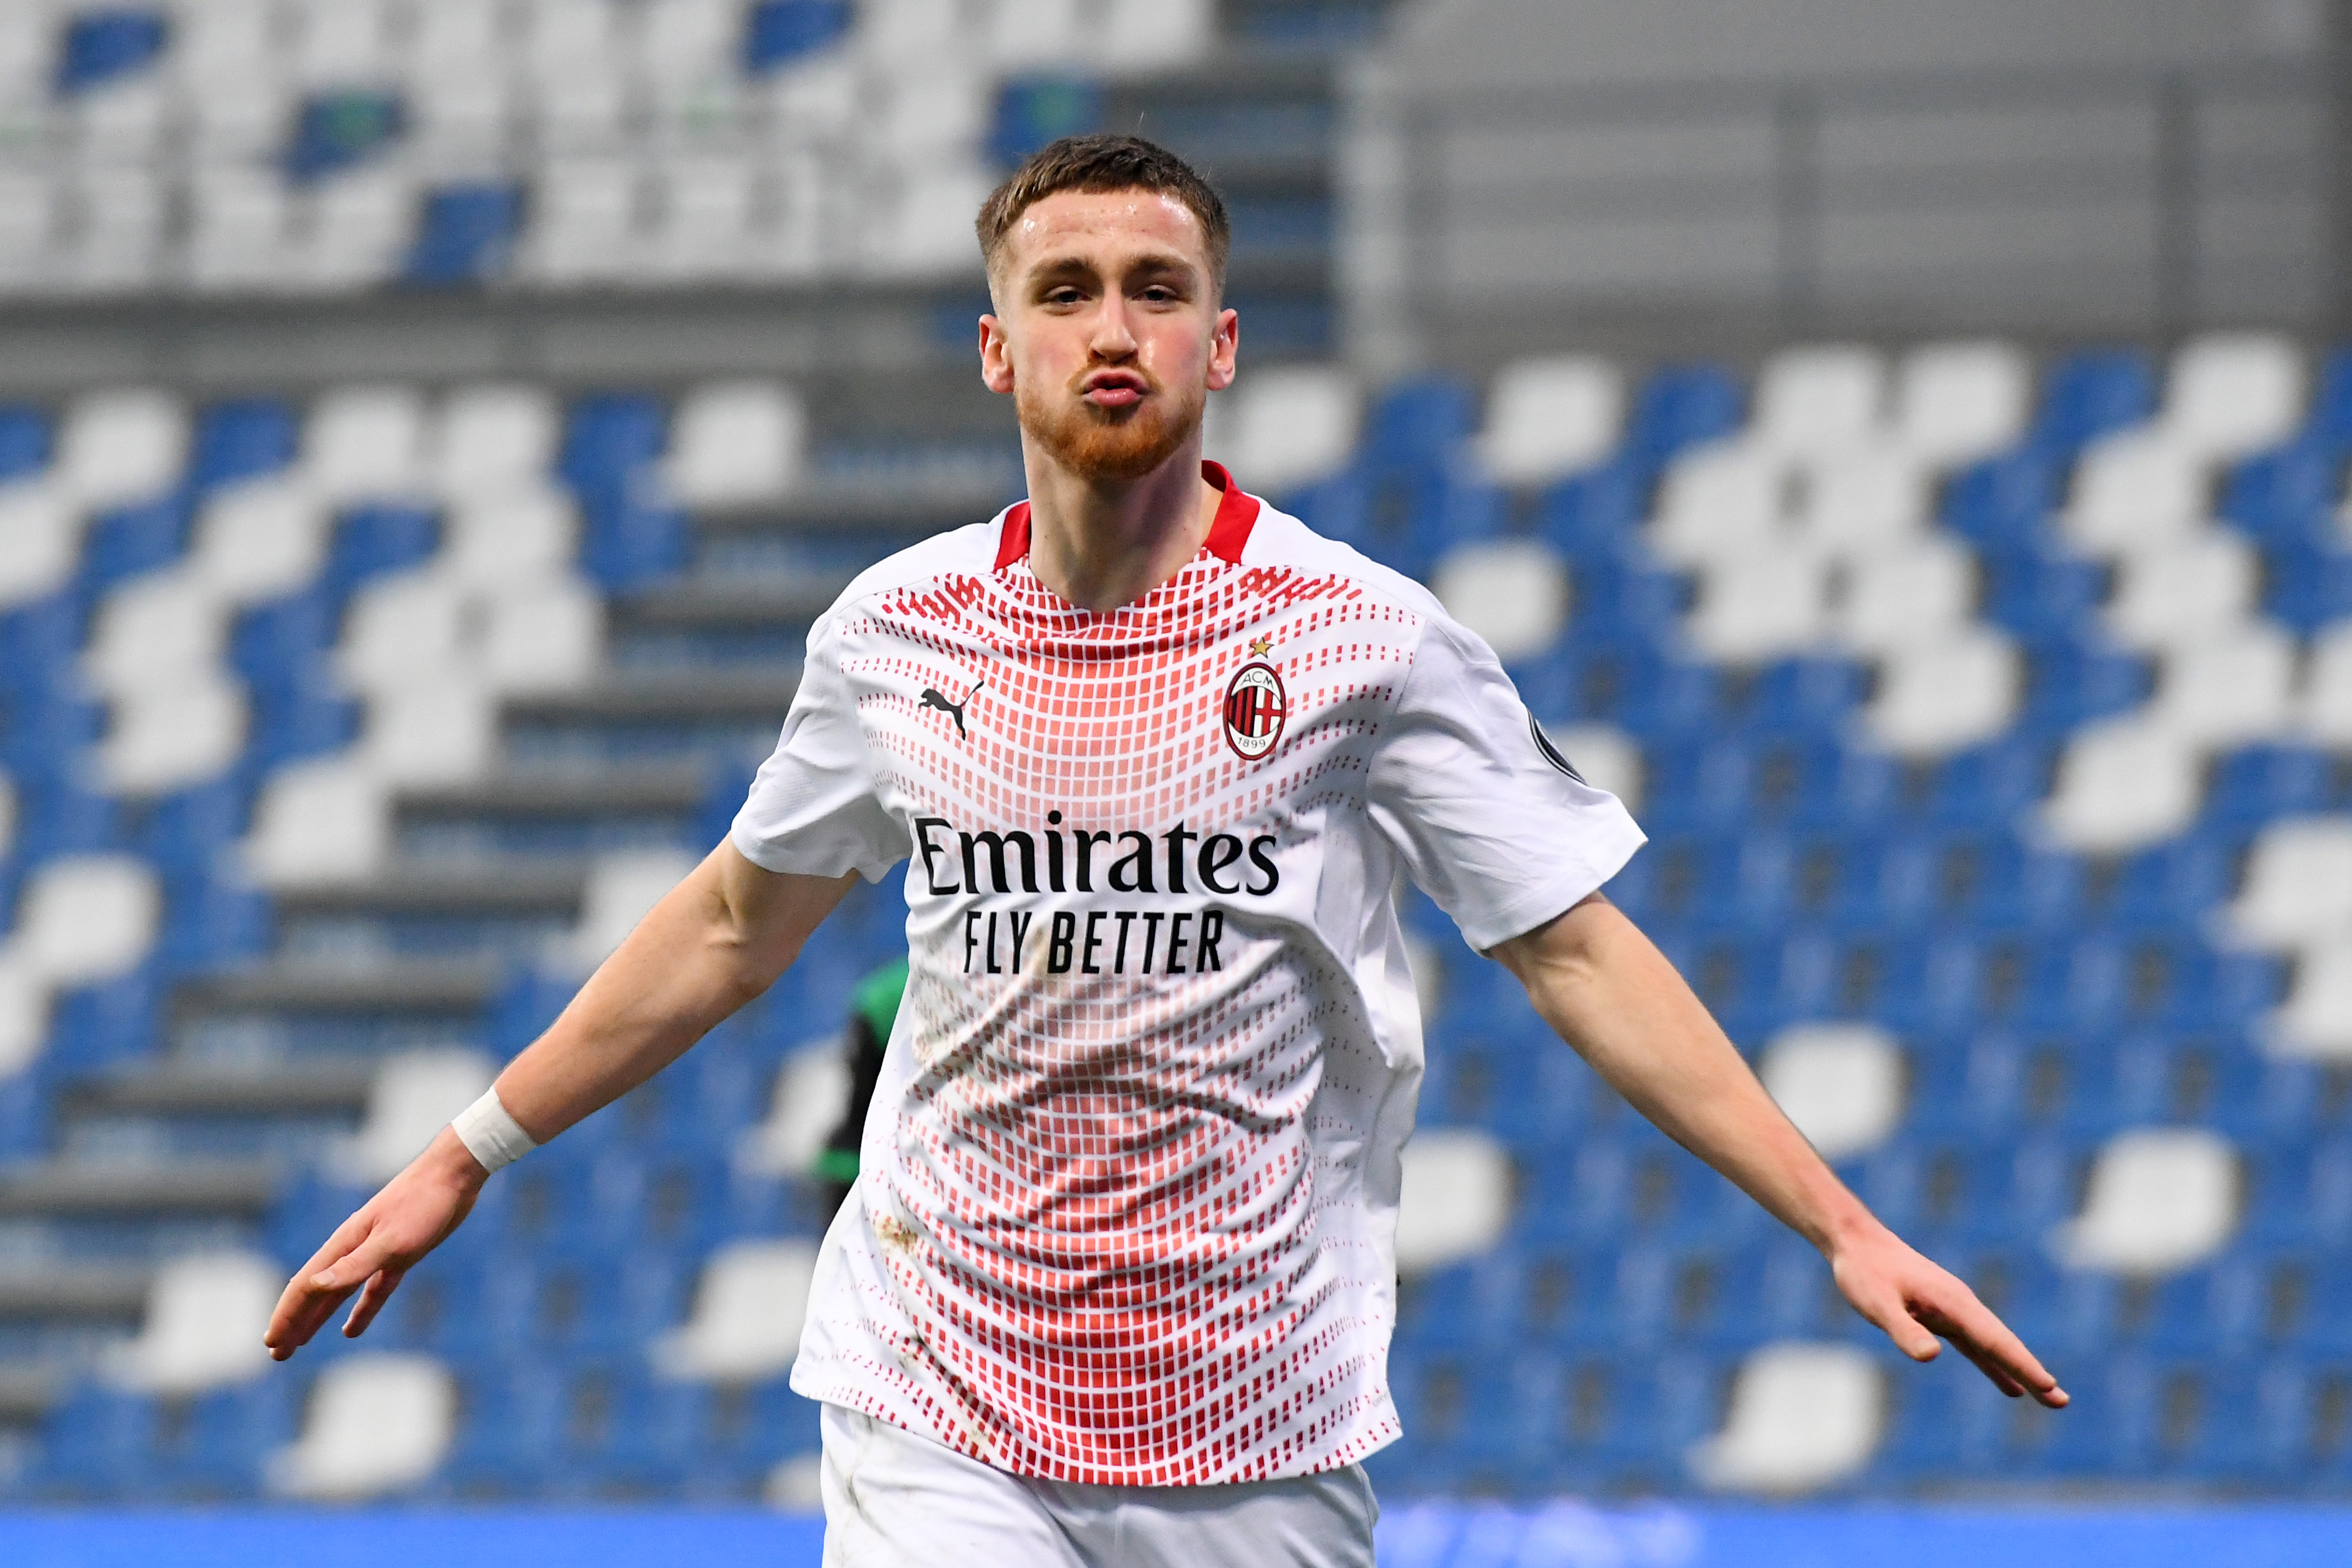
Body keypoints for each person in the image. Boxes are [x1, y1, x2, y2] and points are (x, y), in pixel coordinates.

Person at [265, 134, 2065, 1564]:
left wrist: (1841, 1222)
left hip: (1256, 1418)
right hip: (937, 1391)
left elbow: (1575, 945)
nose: (1111, 327)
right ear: (999, 348)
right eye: (1064, 291)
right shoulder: (891, 636)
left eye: (1157, 289)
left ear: (1222, 342)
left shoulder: (1366, 639)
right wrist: (466, 1151)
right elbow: (738, 923)